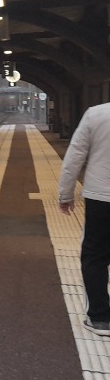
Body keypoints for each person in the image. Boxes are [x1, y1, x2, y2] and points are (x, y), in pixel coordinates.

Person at [59, 102, 110, 336]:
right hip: (100, 195)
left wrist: (65, 194)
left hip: (101, 198)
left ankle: (100, 319)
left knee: (95, 257)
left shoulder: (96, 114)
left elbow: (75, 156)